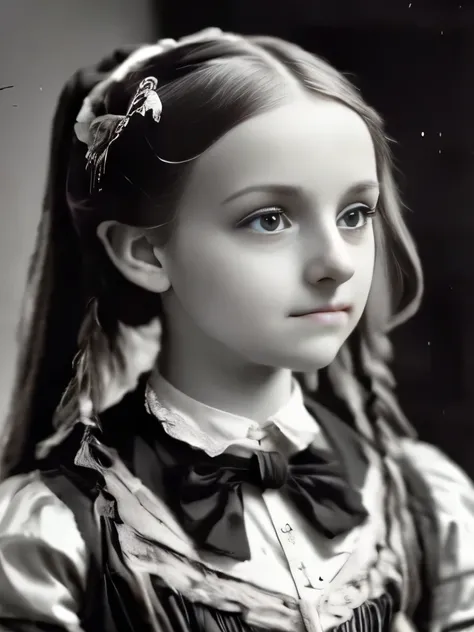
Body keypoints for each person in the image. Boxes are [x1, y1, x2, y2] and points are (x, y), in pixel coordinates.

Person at [0, 27, 472, 632]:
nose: (338, 263)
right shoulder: (56, 532)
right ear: (145, 253)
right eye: (269, 219)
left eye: (355, 214)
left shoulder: (424, 501)